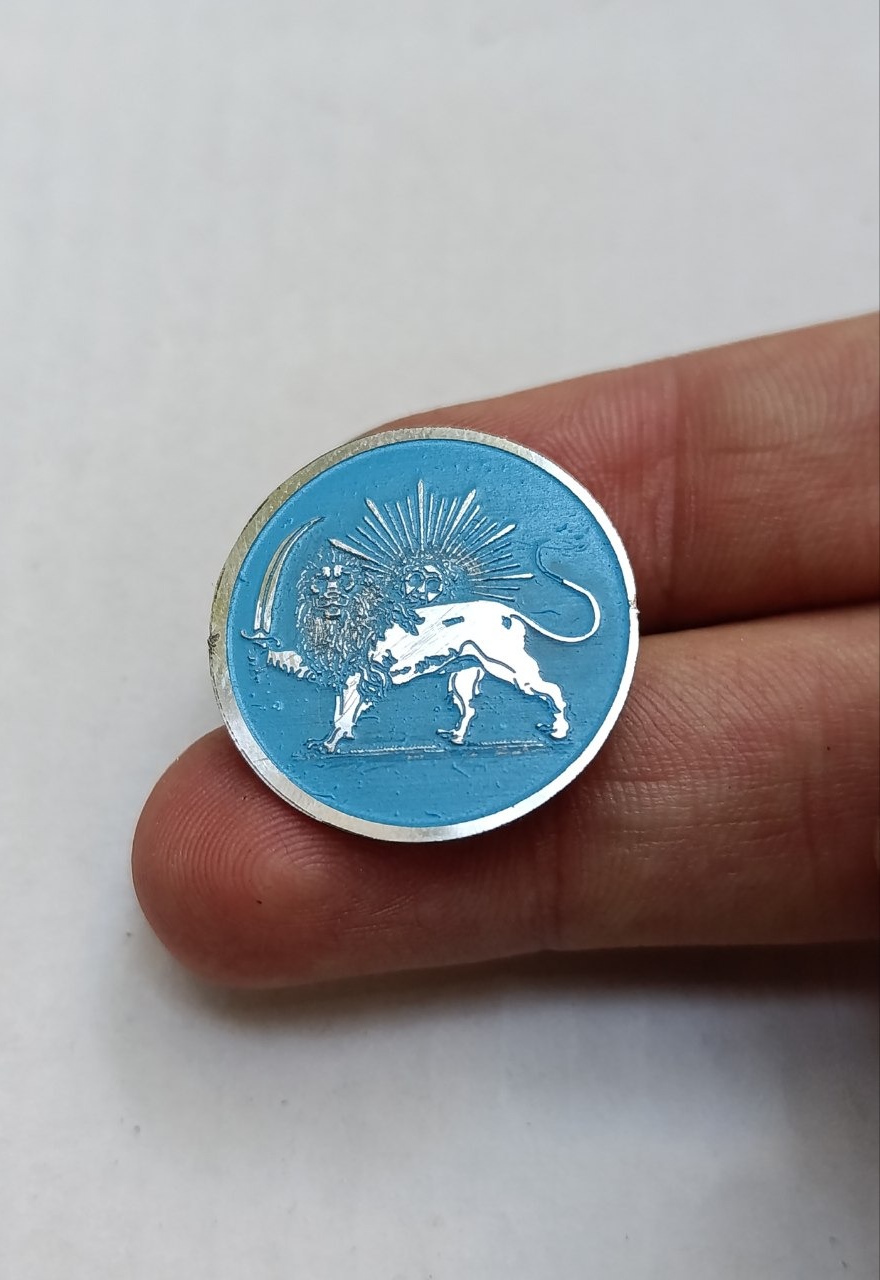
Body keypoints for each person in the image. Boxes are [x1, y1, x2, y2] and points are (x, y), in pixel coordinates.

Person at [132, 315, 879, 986]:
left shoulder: (406, 620)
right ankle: (426, 728)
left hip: (470, 634)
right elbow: (345, 670)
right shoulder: (357, 630)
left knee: (517, 677)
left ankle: (554, 709)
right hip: (428, 649)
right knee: (442, 686)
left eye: (338, 589)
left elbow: (366, 666)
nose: (330, 595)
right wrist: (286, 663)